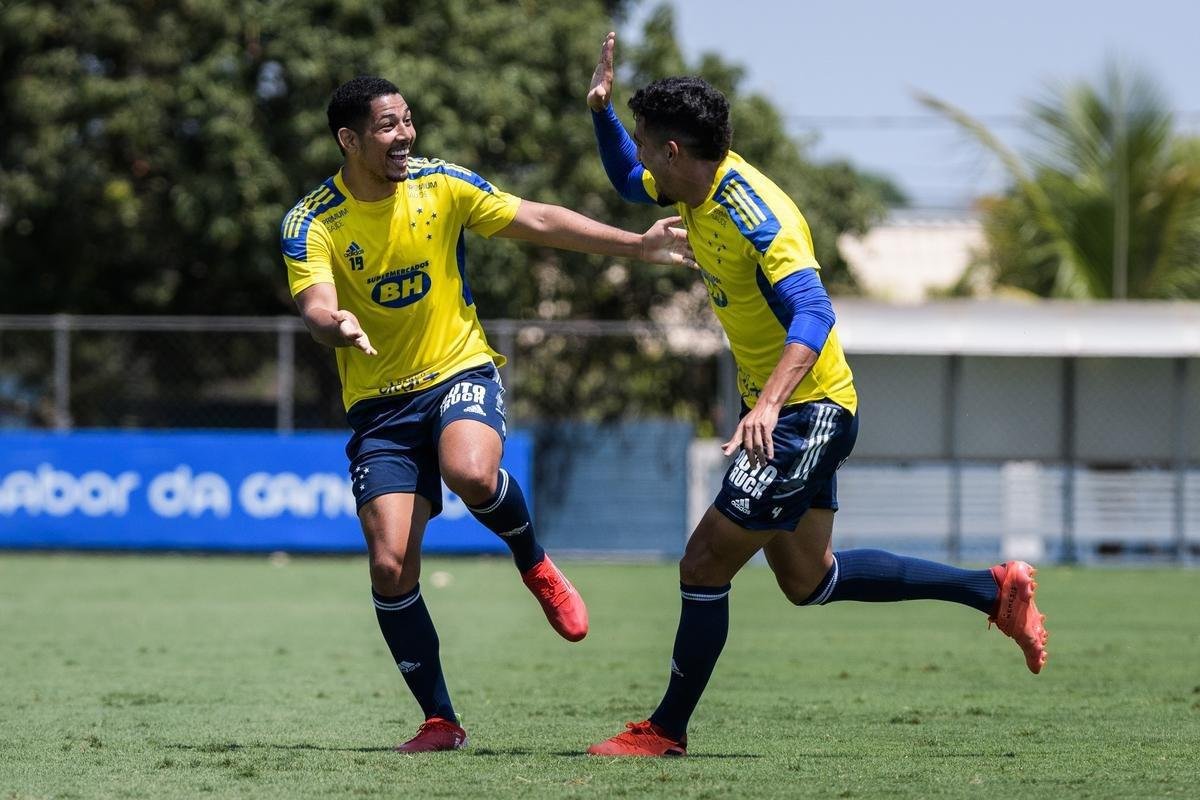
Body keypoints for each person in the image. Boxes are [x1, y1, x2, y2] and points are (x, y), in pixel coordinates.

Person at [583, 33, 1048, 758]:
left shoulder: (754, 214)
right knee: (808, 580)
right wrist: (603, 112)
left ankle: (666, 730)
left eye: (646, 143)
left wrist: (766, 404)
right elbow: (622, 176)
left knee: (704, 563)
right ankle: (994, 591)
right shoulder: (690, 182)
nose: (639, 155)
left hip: (804, 413)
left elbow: (815, 311)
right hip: (804, 407)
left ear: (675, 151)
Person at [281, 75, 694, 753]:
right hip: (380, 411)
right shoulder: (310, 220)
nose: (405, 135)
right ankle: (440, 720)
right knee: (390, 567)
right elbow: (316, 305)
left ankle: (533, 561)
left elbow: (536, 219)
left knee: (471, 472)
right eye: (387, 127)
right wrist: (334, 324)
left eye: (408, 121)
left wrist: (637, 245)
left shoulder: (441, 183)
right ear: (348, 140)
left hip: (457, 371)